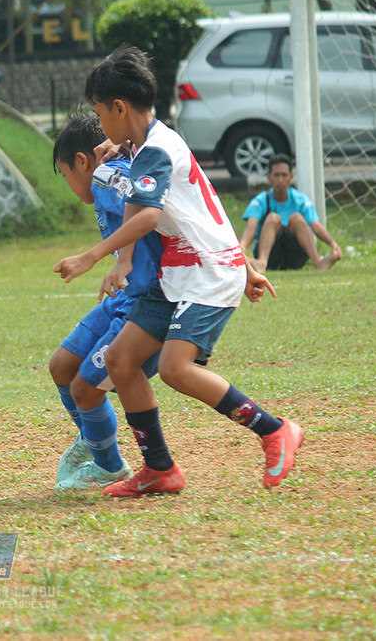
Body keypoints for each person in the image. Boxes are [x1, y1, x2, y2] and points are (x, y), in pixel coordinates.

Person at [53, 45, 304, 497]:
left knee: (174, 368)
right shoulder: (148, 144)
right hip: (178, 274)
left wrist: (92, 257)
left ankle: (274, 430)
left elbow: (147, 217)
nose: (99, 127)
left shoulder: (157, 150)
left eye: (99, 113)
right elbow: (202, 203)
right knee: (120, 360)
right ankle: (159, 469)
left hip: (207, 275)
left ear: (119, 107)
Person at [48, 113, 165, 490]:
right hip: (123, 294)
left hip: (143, 300)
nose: (70, 186)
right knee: (62, 365)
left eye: (66, 175)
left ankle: (109, 465)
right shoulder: (112, 170)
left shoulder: (105, 176)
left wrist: (104, 259)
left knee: (85, 389)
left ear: (82, 161)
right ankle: (92, 438)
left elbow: (148, 204)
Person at [238, 154, 342, 272]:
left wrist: (333, 244)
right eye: (276, 175)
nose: (280, 180)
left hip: (295, 255)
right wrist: (242, 246)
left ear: (291, 177)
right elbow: (251, 228)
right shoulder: (260, 201)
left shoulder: (301, 200)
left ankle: (318, 262)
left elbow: (316, 226)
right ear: (269, 177)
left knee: (296, 218)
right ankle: (262, 262)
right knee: (273, 218)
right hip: (272, 256)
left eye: (284, 175)